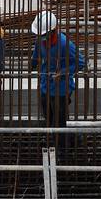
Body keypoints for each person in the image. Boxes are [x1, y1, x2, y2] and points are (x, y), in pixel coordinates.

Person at [29, 11, 85, 142]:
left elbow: (81, 62)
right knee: (48, 116)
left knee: (59, 120)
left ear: (53, 31)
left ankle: (65, 143)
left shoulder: (65, 44)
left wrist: (65, 72)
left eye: (43, 35)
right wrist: (33, 62)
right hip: (45, 85)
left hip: (61, 88)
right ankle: (54, 138)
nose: (41, 37)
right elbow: (36, 55)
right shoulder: (40, 41)